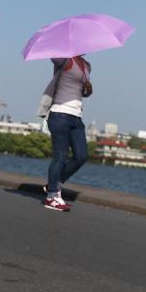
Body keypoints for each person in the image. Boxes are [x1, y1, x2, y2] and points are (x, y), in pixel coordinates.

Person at [40, 56, 92, 212]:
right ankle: (51, 197)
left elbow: (79, 91)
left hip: (76, 116)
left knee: (81, 156)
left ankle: (54, 183)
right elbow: (53, 56)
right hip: (60, 114)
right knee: (60, 157)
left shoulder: (86, 65)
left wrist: (87, 90)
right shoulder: (64, 60)